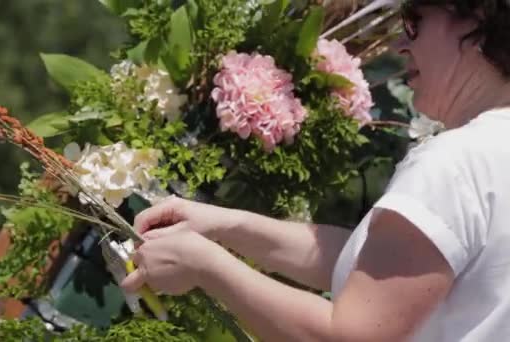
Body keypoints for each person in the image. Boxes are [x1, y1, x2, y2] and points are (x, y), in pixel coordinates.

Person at [121, 1, 510, 340]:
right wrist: (225, 226)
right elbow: (380, 272)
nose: (399, 44)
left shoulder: (455, 163)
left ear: (475, 23)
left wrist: (205, 266)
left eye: (414, 21)